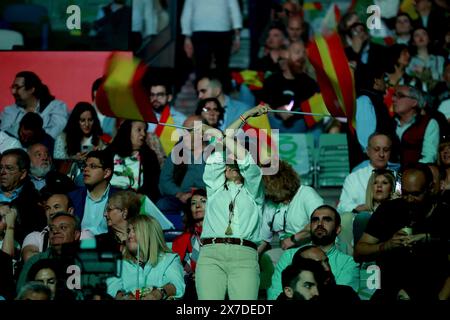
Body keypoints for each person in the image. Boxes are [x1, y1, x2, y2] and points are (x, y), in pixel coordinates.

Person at [195, 105, 269, 300]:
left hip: (244, 256)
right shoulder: (214, 187)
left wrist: (244, 117)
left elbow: (245, 160)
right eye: (229, 159)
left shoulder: (254, 190)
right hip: (211, 254)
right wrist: (244, 117)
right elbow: (220, 146)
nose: (233, 161)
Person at [355, 165, 450, 300]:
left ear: (429, 188)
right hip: (390, 291)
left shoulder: (444, 214)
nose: (409, 199)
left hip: (429, 293)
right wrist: (385, 246)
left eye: (416, 194)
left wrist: (428, 238)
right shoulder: (388, 210)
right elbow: (358, 252)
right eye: (405, 193)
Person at [267, 205, 359, 300]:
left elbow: (342, 298)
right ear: (310, 227)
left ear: (338, 229)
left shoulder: (348, 262)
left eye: (327, 220)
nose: (319, 224)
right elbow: (276, 294)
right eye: (315, 220)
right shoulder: (289, 255)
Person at [106, 215, 185, 300]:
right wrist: (123, 297)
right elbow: (112, 288)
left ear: (150, 234)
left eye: (135, 230)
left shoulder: (169, 260)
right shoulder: (119, 264)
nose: (129, 235)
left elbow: (177, 285)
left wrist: (159, 293)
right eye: (128, 231)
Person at [260, 160, 324, 253]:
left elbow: (321, 223)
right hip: (289, 253)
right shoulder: (270, 203)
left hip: (315, 249)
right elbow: (264, 239)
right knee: (267, 257)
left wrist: (294, 239)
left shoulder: (307, 193)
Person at [181, 0, 243, 92]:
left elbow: (187, 12)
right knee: (218, 68)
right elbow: (234, 9)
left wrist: (187, 36)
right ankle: (216, 97)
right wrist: (237, 36)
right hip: (216, 30)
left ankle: (211, 97)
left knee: (205, 69)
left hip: (209, 31)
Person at [261, 40, 319, 133]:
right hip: (274, 127)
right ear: (285, 54)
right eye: (297, 52)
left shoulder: (310, 83)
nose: (301, 56)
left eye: (304, 53)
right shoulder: (272, 80)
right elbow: (263, 106)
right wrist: (277, 111)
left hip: (301, 128)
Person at [16, 213, 82, 293]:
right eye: (51, 228)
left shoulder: (87, 263)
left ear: (76, 235)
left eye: (63, 227)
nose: (55, 231)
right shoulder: (35, 261)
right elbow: (21, 294)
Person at [338, 169, 397, 256]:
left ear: (391, 188)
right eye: (375, 183)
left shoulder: (396, 211)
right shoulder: (363, 216)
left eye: (384, 183)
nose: (379, 186)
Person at [21, 192, 94, 262]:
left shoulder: (85, 235)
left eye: (56, 207)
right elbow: (30, 259)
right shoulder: (35, 237)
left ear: (70, 211)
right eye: (48, 208)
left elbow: (87, 256)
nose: (51, 212)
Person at [338, 133, 396, 214]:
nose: (381, 154)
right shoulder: (354, 178)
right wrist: (363, 208)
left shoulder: (397, 178)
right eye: (376, 149)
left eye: (386, 150)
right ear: (368, 151)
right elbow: (342, 207)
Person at [1, 71, 68, 139]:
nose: (13, 92)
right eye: (13, 87)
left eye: (17, 87)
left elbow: (55, 130)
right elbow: (3, 136)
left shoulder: (56, 107)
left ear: (31, 89)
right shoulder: (9, 110)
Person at [107, 120, 161, 202]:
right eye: (139, 130)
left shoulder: (149, 156)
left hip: (133, 198)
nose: (143, 134)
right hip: (110, 194)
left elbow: (153, 186)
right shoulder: (110, 151)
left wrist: (143, 196)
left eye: (145, 130)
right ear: (128, 131)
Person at [0, 148, 46, 244]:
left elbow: (32, 231)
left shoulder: (33, 199)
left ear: (23, 174)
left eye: (9, 168)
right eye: (0, 167)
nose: (2, 172)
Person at [54, 102, 106, 185]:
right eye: (82, 120)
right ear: (76, 121)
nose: (87, 124)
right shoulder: (63, 138)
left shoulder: (101, 139)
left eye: (90, 120)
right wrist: (73, 158)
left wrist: (100, 154)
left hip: (94, 180)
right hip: (68, 180)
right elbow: (57, 161)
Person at [68, 150, 119, 236]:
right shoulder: (72, 197)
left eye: (92, 166)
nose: (85, 169)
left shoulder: (119, 198)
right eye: (85, 166)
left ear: (106, 173)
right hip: (79, 246)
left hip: (108, 247)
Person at [393, 85, 439, 168]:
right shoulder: (389, 123)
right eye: (394, 96)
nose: (394, 99)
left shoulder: (428, 123)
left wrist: (413, 173)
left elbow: (429, 157)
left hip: (415, 175)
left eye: (400, 96)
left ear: (414, 102)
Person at [172, 189, 206, 300]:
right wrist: (191, 275)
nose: (197, 205)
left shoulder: (221, 237)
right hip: (189, 287)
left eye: (203, 201)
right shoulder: (180, 241)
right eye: (193, 203)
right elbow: (176, 271)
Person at [406, 27, 445, 92]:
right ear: (413, 42)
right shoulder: (409, 61)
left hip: (437, 91)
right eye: (417, 35)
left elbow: (442, 78)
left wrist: (425, 72)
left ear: (429, 39)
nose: (421, 37)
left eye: (424, 34)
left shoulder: (440, 59)